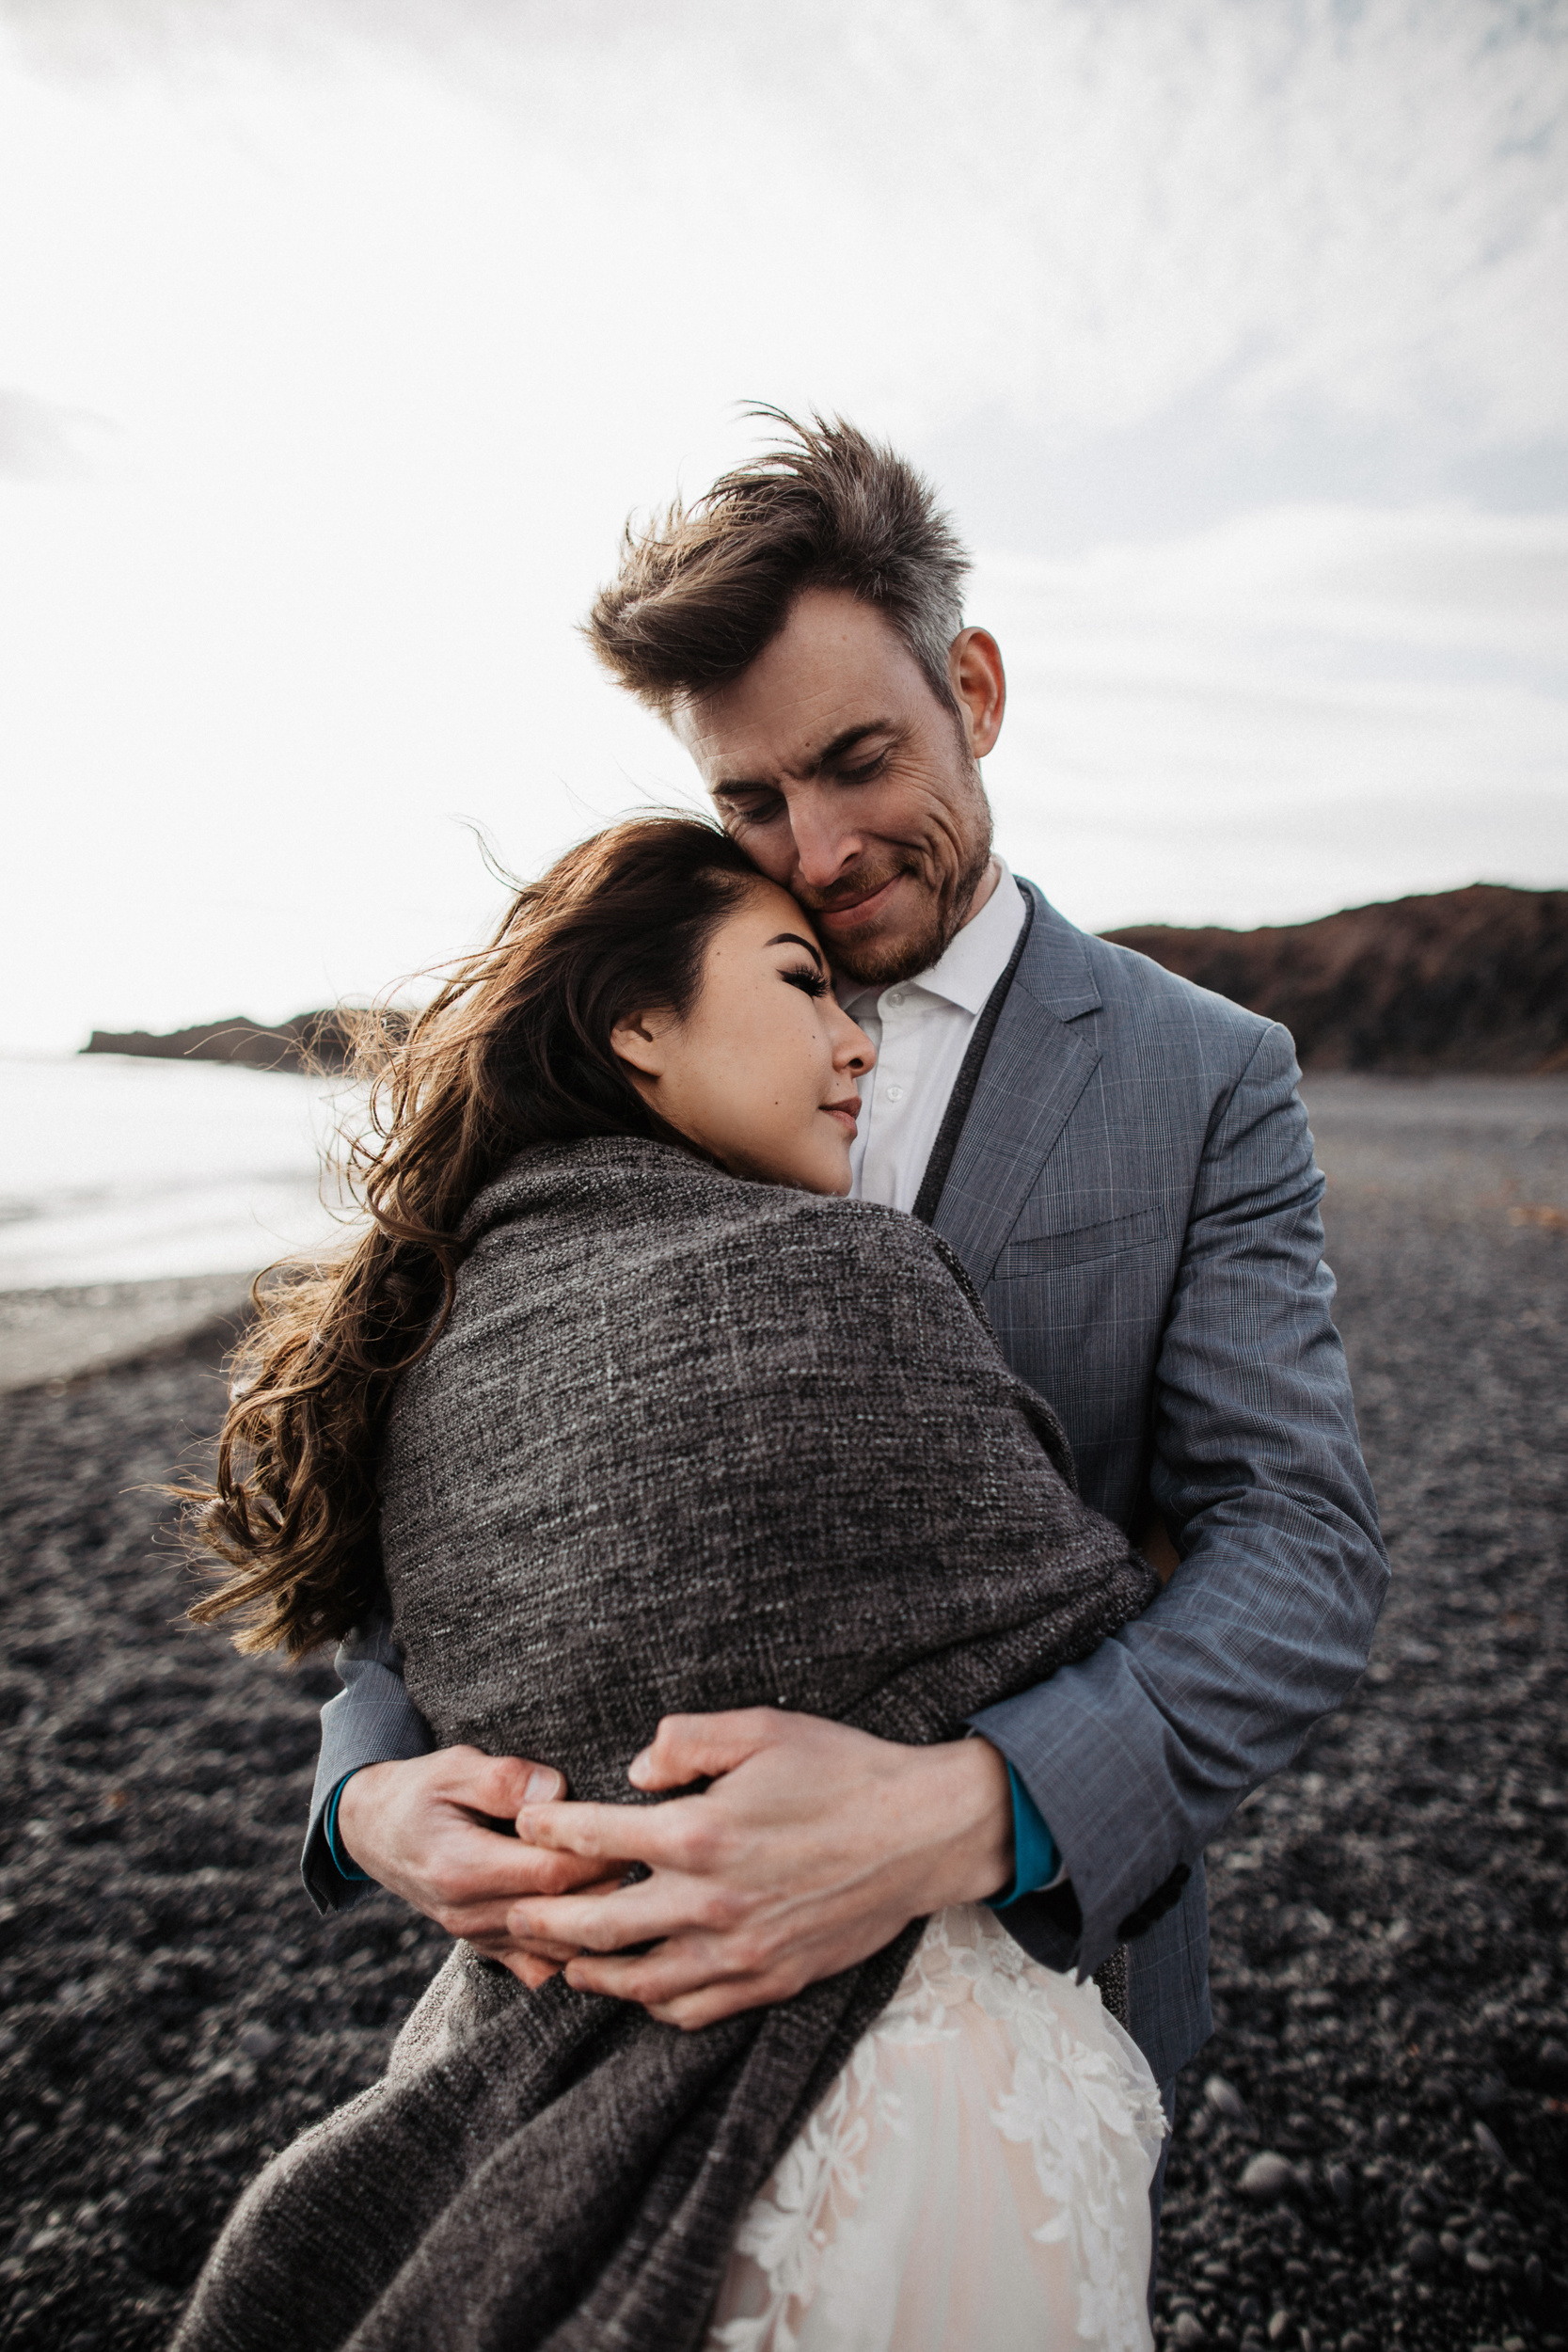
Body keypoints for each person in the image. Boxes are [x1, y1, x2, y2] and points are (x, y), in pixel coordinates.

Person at [303, 413, 1386, 2234]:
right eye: (747, 800)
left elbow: (1302, 1554)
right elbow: (472, 1479)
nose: (810, 845)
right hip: (588, 2008)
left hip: (1006, 2002)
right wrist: (372, 1786)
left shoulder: (1206, 1078)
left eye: (858, 759)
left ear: (974, 683)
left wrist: (966, 1808)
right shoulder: (645, 1044)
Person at [177, 816, 1169, 2350]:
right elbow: (1094, 1611)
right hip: (899, 2111)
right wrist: (362, 1794)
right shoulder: (846, 1275)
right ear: (637, 1022)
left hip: (519, 2031)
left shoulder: (439, 1330)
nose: (858, 1044)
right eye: (803, 986)